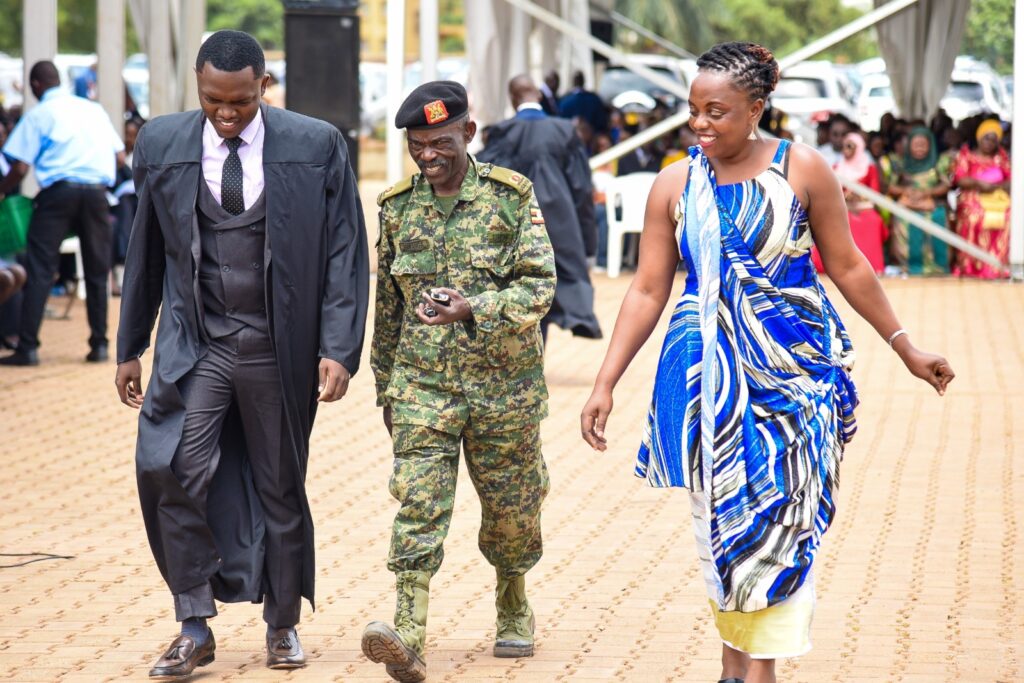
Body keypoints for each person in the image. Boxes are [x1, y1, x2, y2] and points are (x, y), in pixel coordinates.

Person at [579, 42, 954, 683]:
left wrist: (905, 346)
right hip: (707, 376)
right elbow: (647, 289)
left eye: (716, 111)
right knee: (720, 519)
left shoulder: (801, 169)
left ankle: (760, 665)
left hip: (796, 373)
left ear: (755, 108)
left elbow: (848, 265)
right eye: (694, 110)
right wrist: (604, 382)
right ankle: (741, 668)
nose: (700, 124)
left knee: (785, 515)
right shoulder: (674, 184)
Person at [114, 30, 368, 677]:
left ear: (264, 85)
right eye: (213, 101)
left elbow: (346, 252)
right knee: (170, 466)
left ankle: (282, 625)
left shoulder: (314, 146)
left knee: (279, 485)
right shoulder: (163, 144)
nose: (226, 114)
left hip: (275, 347)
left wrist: (339, 347)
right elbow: (145, 250)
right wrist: (130, 344)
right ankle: (193, 625)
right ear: (198, 88)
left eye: (241, 102)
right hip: (197, 345)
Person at [363, 80, 556, 683]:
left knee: (512, 511)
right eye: (417, 145)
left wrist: (476, 307)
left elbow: (540, 286)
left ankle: (513, 600)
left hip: (505, 389)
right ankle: (408, 630)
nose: (428, 156)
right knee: (418, 503)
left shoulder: (510, 197)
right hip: (423, 389)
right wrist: (386, 387)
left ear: (468, 133)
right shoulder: (396, 208)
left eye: (441, 142)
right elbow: (387, 308)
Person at [0, 61, 125, 366]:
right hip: (96, 194)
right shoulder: (93, 110)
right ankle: (100, 345)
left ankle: (28, 348)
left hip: (58, 195)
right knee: (97, 270)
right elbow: (120, 157)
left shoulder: (40, 113)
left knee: (41, 268)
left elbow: (20, 167)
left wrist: (2, 189)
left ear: (36, 85)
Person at [478, 74, 601, 341]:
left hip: (514, 225)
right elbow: (582, 190)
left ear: (513, 99)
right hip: (561, 224)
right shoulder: (564, 131)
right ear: (539, 95)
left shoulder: (503, 132)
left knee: (521, 291)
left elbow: (485, 185)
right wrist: (588, 243)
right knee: (553, 283)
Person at [818, 132, 887, 275]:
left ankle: (872, 265)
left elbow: (874, 192)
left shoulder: (869, 168)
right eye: (845, 146)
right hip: (842, 208)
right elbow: (830, 192)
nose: (846, 150)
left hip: (864, 207)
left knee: (873, 220)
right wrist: (845, 196)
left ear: (859, 147)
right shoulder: (836, 167)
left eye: (850, 146)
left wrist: (859, 196)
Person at [951, 118, 1011, 279]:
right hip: (973, 195)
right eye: (986, 138)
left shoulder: (1001, 158)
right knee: (975, 215)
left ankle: (996, 267)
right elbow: (960, 179)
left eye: (994, 140)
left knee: (1009, 216)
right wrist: (979, 184)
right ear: (979, 137)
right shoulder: (966, 156)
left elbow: (1011, 179)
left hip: (996, 196)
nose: (989, 143)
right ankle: (970, 265)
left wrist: (995, 186)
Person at [888, 127, 952, 275]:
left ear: (930, 145)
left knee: (938, 216)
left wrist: (927, 192)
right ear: (909, 145)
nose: (919, 148)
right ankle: (909, 264)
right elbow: (891, 187)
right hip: (909, 203)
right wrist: (906, 191)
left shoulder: (937, 164)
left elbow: (945, 186)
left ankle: (936, 265)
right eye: (916, 145)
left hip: (929, 203)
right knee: (901, 217)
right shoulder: (901, 164)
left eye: (923, 145)